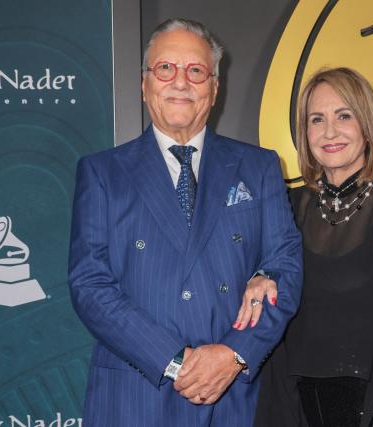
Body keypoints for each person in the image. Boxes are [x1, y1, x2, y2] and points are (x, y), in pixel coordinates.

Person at [67, 18, 302, 427]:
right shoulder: (102, 173)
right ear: (144, 85)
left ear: (214, 89)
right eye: (165, 68)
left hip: (236, 398)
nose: (181, 82)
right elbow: (89, 284)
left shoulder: (259, 166)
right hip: (135, 396)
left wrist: (233, 354)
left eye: (196, 71)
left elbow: (286, 266)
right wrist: (177, 361)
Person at [244, 67, 373, 426]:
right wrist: (261, 275)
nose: (329, 131)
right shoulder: (291, 205)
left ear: (367, 124)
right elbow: (263, 274)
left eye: (343, 115)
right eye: (316, 119)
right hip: (296, 405)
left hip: (369, 408)